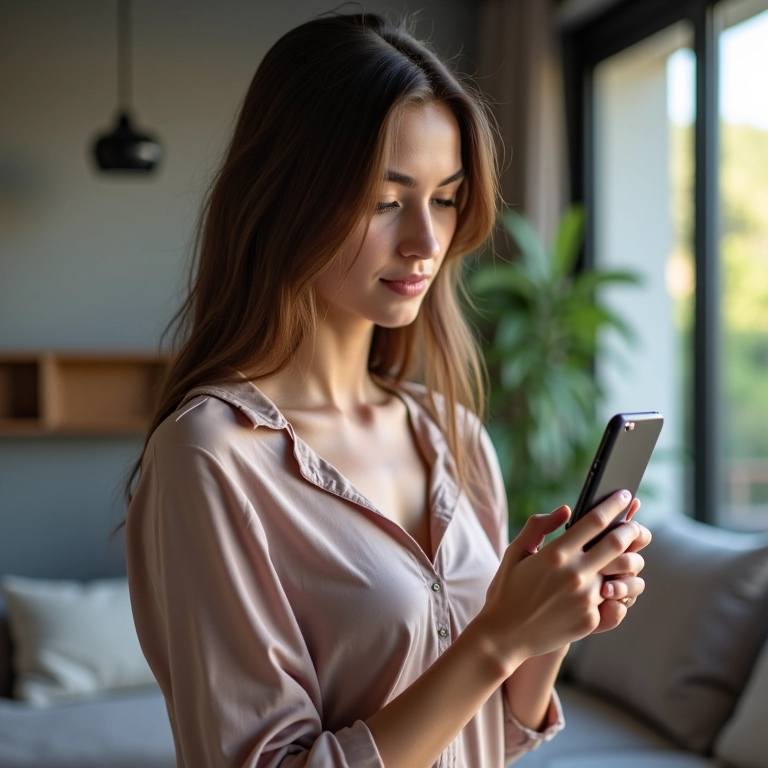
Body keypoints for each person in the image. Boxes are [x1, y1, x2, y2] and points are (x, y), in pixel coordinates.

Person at [123, 11, 650, 768]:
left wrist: (544, 632)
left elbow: (486, 738)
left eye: (445, 198)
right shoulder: (209, 457)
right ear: (287, 194)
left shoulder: (453, 433)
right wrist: (496, 636)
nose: (426, 242)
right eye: (384, 197)